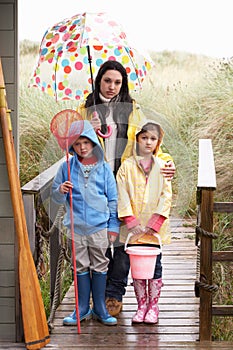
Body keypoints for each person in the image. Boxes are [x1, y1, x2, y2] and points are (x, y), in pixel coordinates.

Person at [77, 60, 176, 316]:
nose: (112, 87)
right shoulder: (85, 110)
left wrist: (166, 163)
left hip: (124, 184)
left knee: (121, 243)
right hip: (95, 185)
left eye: (117, 82)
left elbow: (149, 144)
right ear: (99, 80)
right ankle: (93, 296)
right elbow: (72, 146)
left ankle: (113, 294)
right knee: (98, 243)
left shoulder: (132, 110)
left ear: (123, 84)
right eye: (107, 81)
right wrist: (90, 130)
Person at [51, 120, 120, 326]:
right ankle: (82, 308)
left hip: (99, 226)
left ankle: (99, 306)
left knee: (100, 264)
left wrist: (113, 224)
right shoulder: (66, 167)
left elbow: (112, 198)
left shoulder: (104, 168)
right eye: (77, 143)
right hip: (76, 226)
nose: (82, 147)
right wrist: (60, 190)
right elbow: (55, 197)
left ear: (94, 143)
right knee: (80, 264)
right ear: (71, 146)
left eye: (86, 142)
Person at [116, 120, 172, 324]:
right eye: (144, 137)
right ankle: (141, 306)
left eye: (153, 139)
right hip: (134, 229)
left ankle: (153, 306)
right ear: (137, 139)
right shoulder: (127, 167)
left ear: (158, 142)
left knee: (154, 266)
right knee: (138, 268)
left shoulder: (162, 166)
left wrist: (155, 222)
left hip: (153, 229)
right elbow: (121, 193)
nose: (148, 142)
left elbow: (166, 195)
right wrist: (130, 219)